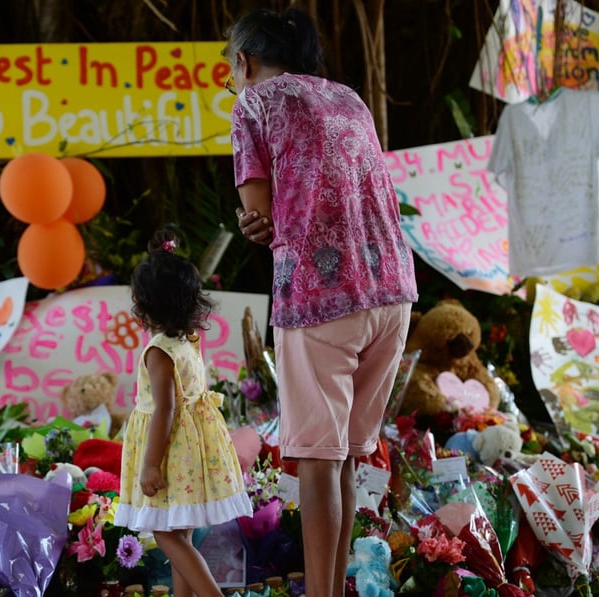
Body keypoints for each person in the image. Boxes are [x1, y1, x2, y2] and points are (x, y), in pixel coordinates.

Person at [225, 7, 419, 597]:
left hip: (318, 296)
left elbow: (257, 210)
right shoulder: (350, 100)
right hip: (391, 291)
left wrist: (254, 221)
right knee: (347, 460)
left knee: (315, 460)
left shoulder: (253, 102)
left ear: (245, 61)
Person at [113, 229, 253, 597]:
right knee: (182, 532)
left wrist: (151, 464)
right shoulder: (187, 340)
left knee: (164, 533)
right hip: (190, 447)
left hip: (171, 450)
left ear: (144, 304)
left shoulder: (159, 351)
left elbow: (165, 409)